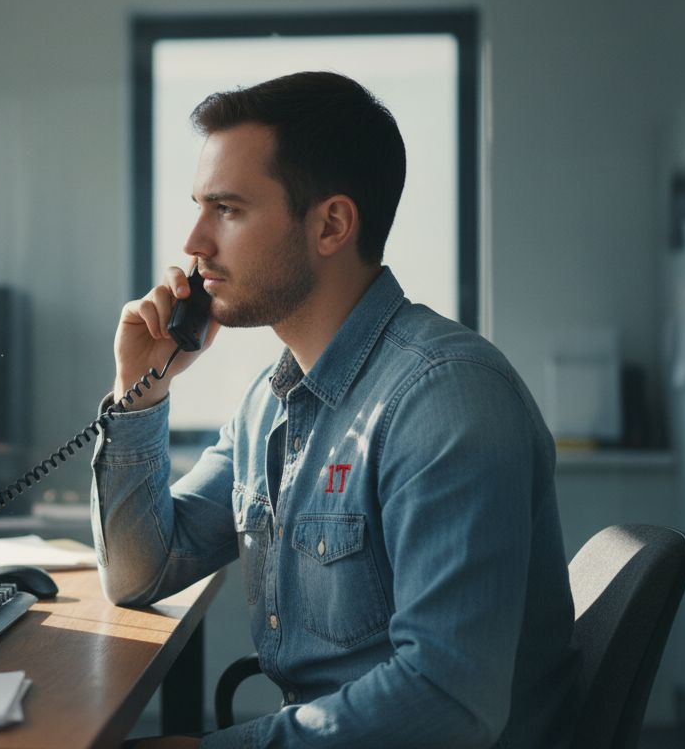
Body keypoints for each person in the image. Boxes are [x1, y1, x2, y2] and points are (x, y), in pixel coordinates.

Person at [91, 72, 579, 747]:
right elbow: (138, 573)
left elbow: (448, 703)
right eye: (200, 207)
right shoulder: (271, 403)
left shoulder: (445, 400)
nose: (195, 242)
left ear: (331, 224)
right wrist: (139, 390)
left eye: (227, 210)